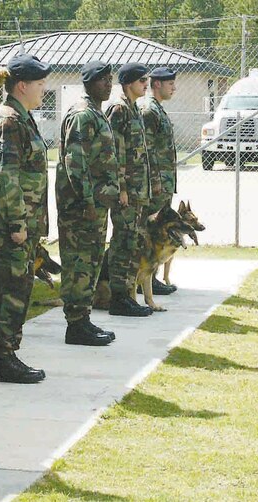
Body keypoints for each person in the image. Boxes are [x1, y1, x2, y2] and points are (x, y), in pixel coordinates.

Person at [0, 52, 51, 384]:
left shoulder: (21, 117)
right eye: (40, 83)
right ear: (22, 85)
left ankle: (3, 353)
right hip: (9, 225)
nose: (43, 89)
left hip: (21, 223)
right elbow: (6, 177)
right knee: (8, 290)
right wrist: (17, 224)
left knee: (16, 287)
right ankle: (1, 358)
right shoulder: (8, 121)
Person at [55, 61, 119, 346]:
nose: (109, 84)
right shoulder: (82, 115)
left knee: (91, 261)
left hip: (96, 205)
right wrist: (86, 200)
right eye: (103, 80)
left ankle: (83, 319)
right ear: (90, 83)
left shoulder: (96, 113)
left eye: (110, 80)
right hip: (82, 207)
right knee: (79, 262)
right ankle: (75, 325)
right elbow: (74, 161)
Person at [104, 63, 154, 317]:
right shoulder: (119, 109)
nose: (146, 84)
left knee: (133, 242)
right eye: (141, 80)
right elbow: (115, 151)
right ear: (127, 83)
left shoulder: (135, 109)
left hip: (138, 191)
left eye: (146, 80)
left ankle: (127, 295)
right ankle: (119, 297)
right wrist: (121, 187)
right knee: (123, 242)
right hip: (127, 192)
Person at [138, 66, 179, 294]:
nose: (174, 88)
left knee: (158, 232)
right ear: (157, 85)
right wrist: (154, 184)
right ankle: (146, 281)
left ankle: (151, 279)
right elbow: (147, 151)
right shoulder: (148, 111)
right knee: (150, 234)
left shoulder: (157, 110)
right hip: (155, 184)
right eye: (170, 83)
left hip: (163, 183)